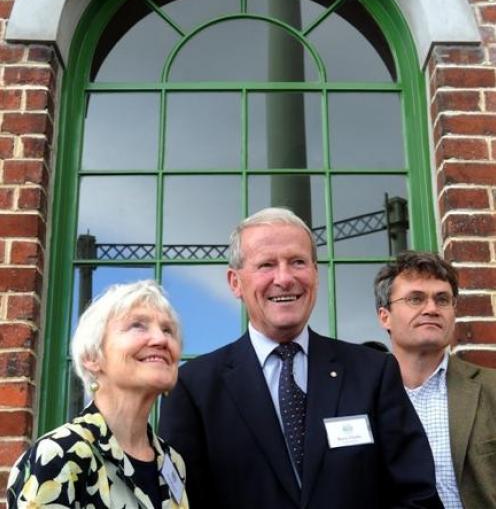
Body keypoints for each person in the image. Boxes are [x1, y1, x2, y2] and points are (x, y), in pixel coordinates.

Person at [160, 207, 443, 509]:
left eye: (297, 262)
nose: (284, 278)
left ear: (315, 275)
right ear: (235, 282)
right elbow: (182, 501)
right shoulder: (194, 386)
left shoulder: (374, 372)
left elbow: (417, 496)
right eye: (266, 264)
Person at [7, 280, 189, 508]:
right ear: (92, 357)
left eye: (168, 330)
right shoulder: (59, 454)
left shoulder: (172, 463)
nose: (161, 340)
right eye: (138, 326)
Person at [375, 251, 496, 509]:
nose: (431, 308)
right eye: (415, 299)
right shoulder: (357, 397)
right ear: (384, 316)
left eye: (442, 300)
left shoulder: (491, 389)